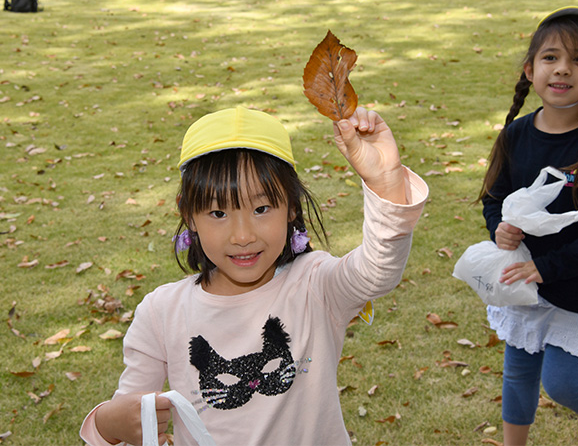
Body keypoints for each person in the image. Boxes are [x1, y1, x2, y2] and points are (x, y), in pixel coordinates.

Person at [80, 106, 428, 445]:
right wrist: (109, 422)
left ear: (291, 207)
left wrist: (386, 183)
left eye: (261, 208)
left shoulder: (315, 284)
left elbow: (378, 271)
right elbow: (131, 415)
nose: (242, 235)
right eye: (218, 212)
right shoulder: (161, 312)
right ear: (189, 215)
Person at [476, 6, 578, 446]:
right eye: (550, 57)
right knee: (518, 373)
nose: (564, 68)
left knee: (564, 384)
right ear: (530, 69)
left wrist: (550, 268)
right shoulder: (516, 135)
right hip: (522, 286)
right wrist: (499, 229)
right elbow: (495, 198)